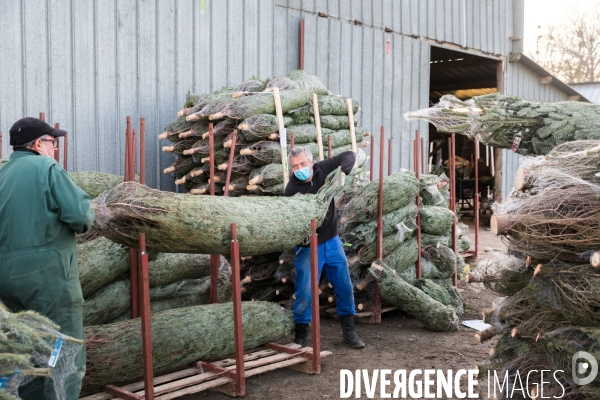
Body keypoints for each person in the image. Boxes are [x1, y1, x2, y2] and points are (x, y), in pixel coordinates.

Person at [0, 117, 96, 400]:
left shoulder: (2, 175)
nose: (55, 148)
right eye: (53, 142)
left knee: (25, 352)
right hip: (48, 279)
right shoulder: (47, 167)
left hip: (5, 279)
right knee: (63, 355)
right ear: (39, 144)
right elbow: (80, 216)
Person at [284, 146, 365, 349]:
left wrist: (343, 173)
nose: (300, 168)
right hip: (308, 246)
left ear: (311, 162)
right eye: (295, 166)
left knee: (344, 285)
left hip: (332, 241)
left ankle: (349, 331)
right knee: (305, 291)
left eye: (303, 164)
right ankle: (301, 335)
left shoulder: (322, 169)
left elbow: (349, 155)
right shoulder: (292, 190)